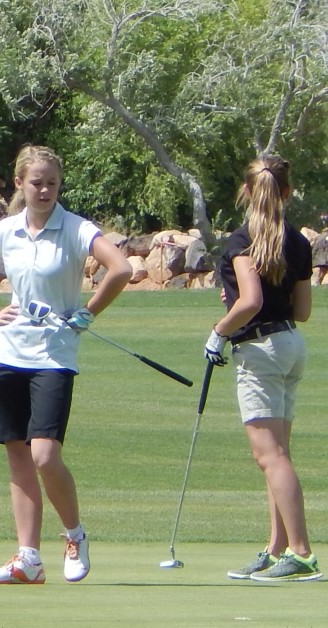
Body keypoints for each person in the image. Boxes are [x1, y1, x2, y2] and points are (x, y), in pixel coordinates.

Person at [0, 144, 131, 584]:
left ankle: (74, 535)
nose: (45, 190)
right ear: (20, 184)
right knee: (18, 455)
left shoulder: (75, 228)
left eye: (52, 182)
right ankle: (28, 559)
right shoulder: (6, 230)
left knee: (45, 455)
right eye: (37, 182)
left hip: (54, 357)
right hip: (8, 354)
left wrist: (88, 311)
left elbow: (121, 268)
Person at [204, 154, 322, 582]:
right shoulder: (299, 241)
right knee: (279, 455)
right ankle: (277, 548)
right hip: (290, 344)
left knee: (269, 456)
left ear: (247, 191)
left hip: (259, 350)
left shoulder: (241, 240)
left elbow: (249, 301)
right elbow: (303, 310)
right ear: (287, 192)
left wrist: (219, 331)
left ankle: (303, 553)